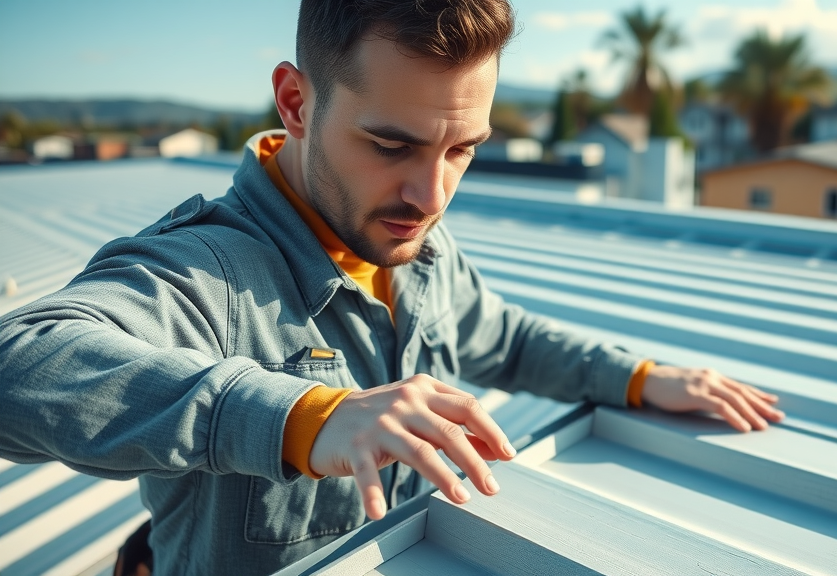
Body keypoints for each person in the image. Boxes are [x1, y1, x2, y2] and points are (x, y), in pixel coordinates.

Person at [0, 1, 784, 574]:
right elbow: (19, 364)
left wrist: (638, 377)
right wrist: (306, 419)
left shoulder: (416, 241)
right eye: (391, 145)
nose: (431, 195)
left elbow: (501, 337)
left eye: (462, 150)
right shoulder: (208, 271)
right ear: (297, 102)